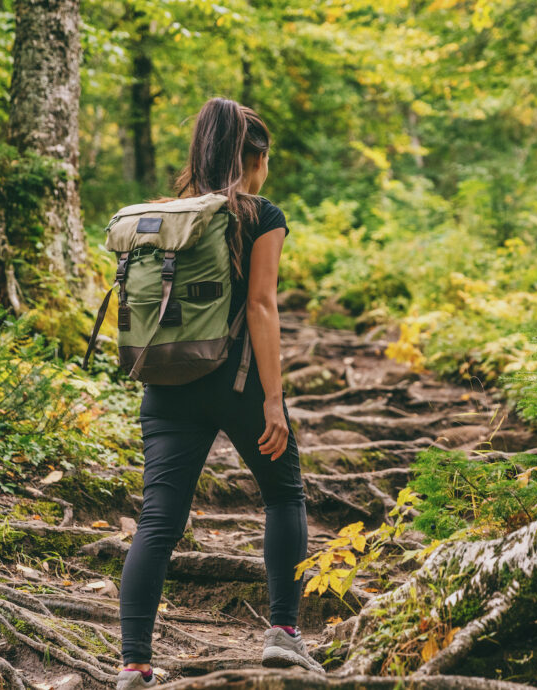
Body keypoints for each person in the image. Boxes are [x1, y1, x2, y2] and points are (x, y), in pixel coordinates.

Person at [115, 97, 323, 690]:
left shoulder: (165, 214)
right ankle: (282, 635)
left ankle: (133, 664)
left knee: (157, 521)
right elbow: (260, 305)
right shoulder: (261, 214)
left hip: (167, 383)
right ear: (252, 157)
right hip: (238, 383)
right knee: (284, 496)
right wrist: (272, 400)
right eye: (266, 159)